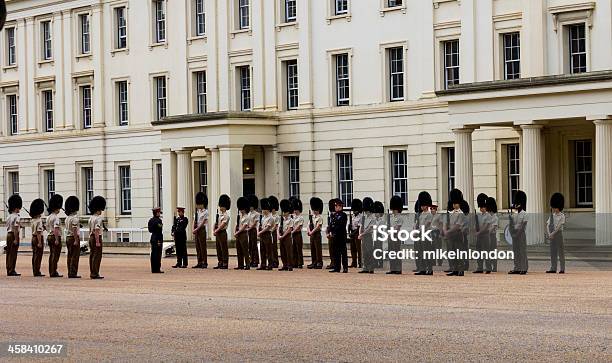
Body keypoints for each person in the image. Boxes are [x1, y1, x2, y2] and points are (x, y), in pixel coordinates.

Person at [444, 189, 467, 276]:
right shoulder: (451, 213)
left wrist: (448, 231)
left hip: (458, 234)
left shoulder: (461, 213)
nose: (454, 205)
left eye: (456, 203)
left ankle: (461, 269)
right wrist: (446, 230)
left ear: (459, 203)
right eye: (453, 203)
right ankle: (455, 269)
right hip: (451, 235)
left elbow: (457, 226)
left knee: (459, 252)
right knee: (452, 252)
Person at [509, 190, 528, 275]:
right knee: (515, 251)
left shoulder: (525, 214)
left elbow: (523, 226)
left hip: (521, 234)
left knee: (522, 251)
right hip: (514, 233)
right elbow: (511, 225)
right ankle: (517, 267)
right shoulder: (514, 214)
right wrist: (512, 232)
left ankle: (524, 268)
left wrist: (516, 234)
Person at [546, 193, 566, 274]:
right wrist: (549, 233)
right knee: (553, 252)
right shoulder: (552, 215)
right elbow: (547, 225)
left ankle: (562, 268)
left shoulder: (562, 216)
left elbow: (559, 227)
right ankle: (553, 268)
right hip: (552, 235)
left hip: (558, 234)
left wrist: (552, 234)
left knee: (560, 252)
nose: (554, 209)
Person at [415, 192, 433, 275]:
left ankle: (429, 268)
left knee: (427, 252)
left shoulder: (429, 214)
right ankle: (422, 268)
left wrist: (418, 230)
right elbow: (418, 225)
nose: (422, 206)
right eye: (421, 205)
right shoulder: (421, 214)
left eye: (424, 205)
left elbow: (426, 225)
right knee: (421, 252)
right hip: (420, 235)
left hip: (426, 235)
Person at [88, 196, 106, 279]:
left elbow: (90, 229)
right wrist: (98, 241)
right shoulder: (98, 219)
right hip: (96, 237)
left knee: (92, 255)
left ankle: (92, 272)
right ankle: (95, 273)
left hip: (91, 237)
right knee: (97, 256)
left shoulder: (91, 218)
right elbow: (97, 230)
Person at [46, 194, 64, 278]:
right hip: (54, 236)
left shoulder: (48, 217)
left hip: (49, 235)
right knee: (55, 255)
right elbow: (56, 229)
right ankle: (53, 271)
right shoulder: (56, 218)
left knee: (52, 254)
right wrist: (57, 239)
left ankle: (51, 270)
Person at [64, 196, 82, 278]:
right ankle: (73, 273)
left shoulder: (67, 218)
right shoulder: (75, 218)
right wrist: (76, 239)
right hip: (73, 237)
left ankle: (70, 271)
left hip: (68, 237)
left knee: (70, 255)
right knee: (75, 256)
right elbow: (74, 229)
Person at [329, 199, 349, 273]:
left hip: (341, 236)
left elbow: (341, 225)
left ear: (340, 206)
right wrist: (330, 231)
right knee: (336, 253)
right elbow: (331, 225)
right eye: (335, 206)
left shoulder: (343, 215)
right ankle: (337, 267)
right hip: (335, 236)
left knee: (343, 253)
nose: (335, 207)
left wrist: (334, 231)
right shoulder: (334, 215)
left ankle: (345, 268)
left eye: (336, 206)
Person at [5, 194, 22, 277]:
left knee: (9, 253)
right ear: (16, 208)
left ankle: (9, 268)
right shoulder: (17, 217)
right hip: (13, 235)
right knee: (13, 253)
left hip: (8, 234)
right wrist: (16, 238)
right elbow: (15, 228)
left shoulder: (8, 217)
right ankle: (12, 270)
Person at [474, 193, 490, 274]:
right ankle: (479, 267)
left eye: (482, 207)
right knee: (479, 252)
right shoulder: (479, 216)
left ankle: (488, 267)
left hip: (485, 235)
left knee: (486, 252)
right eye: (480, 207)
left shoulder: (488, 216)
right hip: (480, 236)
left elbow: (486, 227)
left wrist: (478, 232)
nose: (481, 208)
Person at [358, 197, 375, 274]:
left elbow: (370, 228)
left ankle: (371, 267)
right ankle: (365, 267)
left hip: (369, 236)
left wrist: (362, 234)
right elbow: (361, 226)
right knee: (364, 252)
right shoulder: (363, 217)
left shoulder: (373, 217)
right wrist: (360, 234)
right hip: (363, 236)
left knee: (369, 251)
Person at [387, 196, 404, 275]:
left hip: (396, 236)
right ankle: (392, 268)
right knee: (391, 252)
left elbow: (397, 227)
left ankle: (398, 268)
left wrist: (391, 231)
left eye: (394, 208)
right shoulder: (391, 217)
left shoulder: (400, 217)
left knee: (397, 252)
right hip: (390, 236)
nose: (393, 210)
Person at [213, 194, 231, 269]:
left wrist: (216, 230)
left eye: (221, 206)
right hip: (218, 233)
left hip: (222, 232)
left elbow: (222, 225)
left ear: (224, 206)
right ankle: (220, 261)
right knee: (218, 248)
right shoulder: (219, 215)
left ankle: (225, 262)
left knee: (223, 248)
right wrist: (214, 229)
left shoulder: (226, 216)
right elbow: (216, 223)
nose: (220, 207)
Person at [30, 199, 45, 277]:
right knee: (38, 255)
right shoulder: (39, 221)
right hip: (38, 238)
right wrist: (39, 242)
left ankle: (35, 270)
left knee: (34, 255)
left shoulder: (33, 220)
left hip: (33, 237)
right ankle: (37, 271)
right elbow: (39, 232)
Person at [234, 197, 251, 270]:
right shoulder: (239, 216)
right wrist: (235, 232)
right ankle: (240, 264)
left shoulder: (247, 217)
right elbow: (236, 224)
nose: (241, 210)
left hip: (243, 233)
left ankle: (247, 264)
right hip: (238, 234)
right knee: (239, 250)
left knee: (245, 250)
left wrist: (237, 232)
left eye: (242, 209)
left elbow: (244, 226)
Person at [193, 192, 209, 269]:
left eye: (199, 204)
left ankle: (204, 262)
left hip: (201, 230)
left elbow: (203, 223)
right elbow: (194, 221)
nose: (198, 205)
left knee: (203, 247)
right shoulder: (197, 212)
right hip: (196, 230)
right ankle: (199, 261)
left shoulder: (205, 212)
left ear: (202, 204)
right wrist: (193, 228)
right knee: (198, 247)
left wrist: (196, 229)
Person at [257, 198, 274, 270]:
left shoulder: (271, 218)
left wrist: (260, 232)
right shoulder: (263, 217)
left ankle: (270, 264)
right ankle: (263, 264)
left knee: (268, 250)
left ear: (267, 209)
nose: (263, 211)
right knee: (262, 250)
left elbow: (267, 227)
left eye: (264, 209)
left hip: (267, 234)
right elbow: (260, 225)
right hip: (262, 234)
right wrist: (258, 230)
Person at [307, 197, 324, 269]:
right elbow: (308, 225)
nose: (314, 211)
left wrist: (311, 232)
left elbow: (318, 227)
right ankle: (314, 262)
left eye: (316, 210)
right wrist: (308, 231)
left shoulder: (320, 217)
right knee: (312, 248)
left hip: (316, 234)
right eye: (313, 209)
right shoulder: (312, 217)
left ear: (319, 210)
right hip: (312, 234)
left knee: (318, 249)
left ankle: (319, 262)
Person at [278, 199, 294, 271]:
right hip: (281, 237)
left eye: (285, 212)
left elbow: (289, 229)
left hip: (287, 237)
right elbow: (278, 228)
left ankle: (290, 265)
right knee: (282, 252)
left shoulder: (291, 220)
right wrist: (279, 235)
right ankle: (284, 265)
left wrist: (283, 236)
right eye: (283, 212)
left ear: (288, 212)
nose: (284, 213)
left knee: (288, 251)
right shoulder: (282, 220)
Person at [148, 207, 164, 273]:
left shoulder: (150, 220)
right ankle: (157, 269)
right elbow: (160, 229)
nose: (159, 214)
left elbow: (150, 230)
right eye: (159, 212)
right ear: (156, 213)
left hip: (153, 237)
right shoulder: (159, 220)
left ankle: (153, 268)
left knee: (153, 253)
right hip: (158, 238)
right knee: (157, 254)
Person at [485, 197, 498, 273]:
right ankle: (488, 266)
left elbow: (493, 227)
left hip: (492, 236)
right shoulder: (487, 216)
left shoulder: (495, 217)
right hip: (487, 236)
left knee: (492, 251)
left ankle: (494, 266)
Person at [349, 198, 363, 268]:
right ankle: (354, 262)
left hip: (357, 233)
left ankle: (360, 262)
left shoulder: (361, 217)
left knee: (358, 249)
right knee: (353, 248)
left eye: (355, 210)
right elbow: (351, 225)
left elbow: (359, 227)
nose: (354, 211)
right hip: (352, 233)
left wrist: (353, 233)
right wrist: (349, 230)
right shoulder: (352, 216)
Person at [247, 195, 260, 268]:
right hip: (249, 230)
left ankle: (256, 260)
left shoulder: (257, 214)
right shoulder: (248, 214)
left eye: (251, 205)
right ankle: (251, 260)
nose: (250, 207)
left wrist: (249, 228)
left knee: (254, 245)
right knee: (250, 246)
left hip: (253, 230)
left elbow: (255, 223)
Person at [291, 198, 305, 268]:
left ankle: (300, 263)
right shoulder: (293, 217)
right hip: (293, 234)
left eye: (296, 210)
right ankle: (294, 262)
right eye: (294, 210)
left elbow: (299, 227)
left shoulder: (301, 218)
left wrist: (292, 231)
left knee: (299, 249)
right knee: (294, 249)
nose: (295, 211)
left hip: (298, 234)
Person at [268, 195, 280, 268]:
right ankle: (271, 261)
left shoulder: (277, 216)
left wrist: (270, 231)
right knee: (269, 247)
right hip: (269, 232)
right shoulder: (269, 216)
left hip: (273, 232)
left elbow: (276, 226)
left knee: (274, 247)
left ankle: (275, 261)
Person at [325, 199, 336, 270]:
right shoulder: (330, 215)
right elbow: (328, 225)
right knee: (331, 249)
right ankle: (332, 262)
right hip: (330, 234)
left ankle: (335, 263)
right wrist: (327, 233)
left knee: (335, 250)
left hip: (335, 234)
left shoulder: (337, 215)